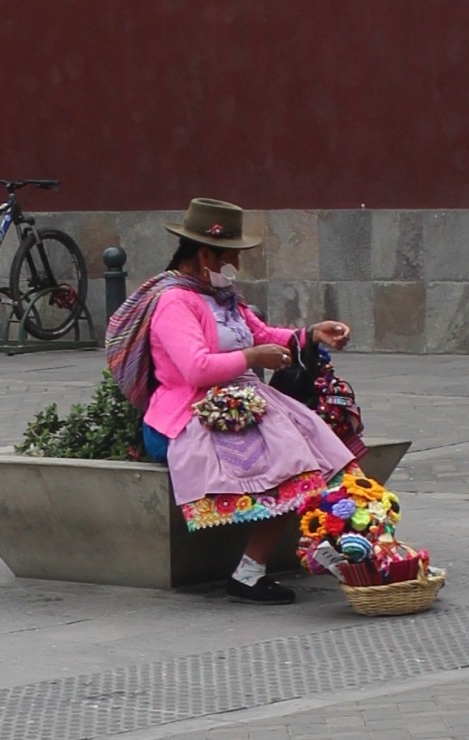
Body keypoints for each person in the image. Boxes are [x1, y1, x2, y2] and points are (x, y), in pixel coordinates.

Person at [105, 197, 356, 605]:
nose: (235, 267)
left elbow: (260, 334)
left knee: (313, 447)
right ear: (205, 254)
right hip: (189, 417)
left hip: (242, 403)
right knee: (289, 460)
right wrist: (254, 359)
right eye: (230, 257)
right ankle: (254, 572)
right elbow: (195, 369)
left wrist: (310, 334)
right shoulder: (174, 302)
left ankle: (298, 550)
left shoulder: (221, 295)